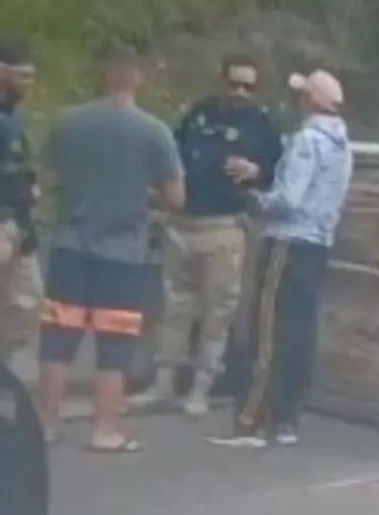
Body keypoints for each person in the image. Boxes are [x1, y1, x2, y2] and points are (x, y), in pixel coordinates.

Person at [35, 45, 185, 451]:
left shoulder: (68, 122)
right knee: (115, 345)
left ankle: (46, 424)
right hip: (123, 254)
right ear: (138, 75)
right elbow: (176, 197)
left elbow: (47, 179)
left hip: (69, 246)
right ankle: (105, 430)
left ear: (101, 73)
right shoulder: (154, 132)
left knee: (57, 341)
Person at [132, 54, 282, 417]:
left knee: (219, 311)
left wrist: (256, 170)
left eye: (248, 86)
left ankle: (202, 387)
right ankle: (164, 384)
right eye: (234, 83)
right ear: (222, 82)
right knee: (174, 309)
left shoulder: (263, 126)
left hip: (225, 226)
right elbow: (172, 157)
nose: (239, 92)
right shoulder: (199, 114)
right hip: (183, 223)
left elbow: (278, 174)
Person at [207, 69, 351, 447]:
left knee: (268, 328)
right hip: (318, 243)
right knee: (300, 330)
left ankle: (252, 418)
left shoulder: (306, 141)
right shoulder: (341, 144)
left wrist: (255, 197)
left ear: (309, 101)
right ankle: (287, 417)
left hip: (287, 241)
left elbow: (289, 199)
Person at [0, 37, 43, 366]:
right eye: (22, 75)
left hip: (19, 220)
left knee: (27, 301)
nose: (29, 82)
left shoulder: (15, 115)